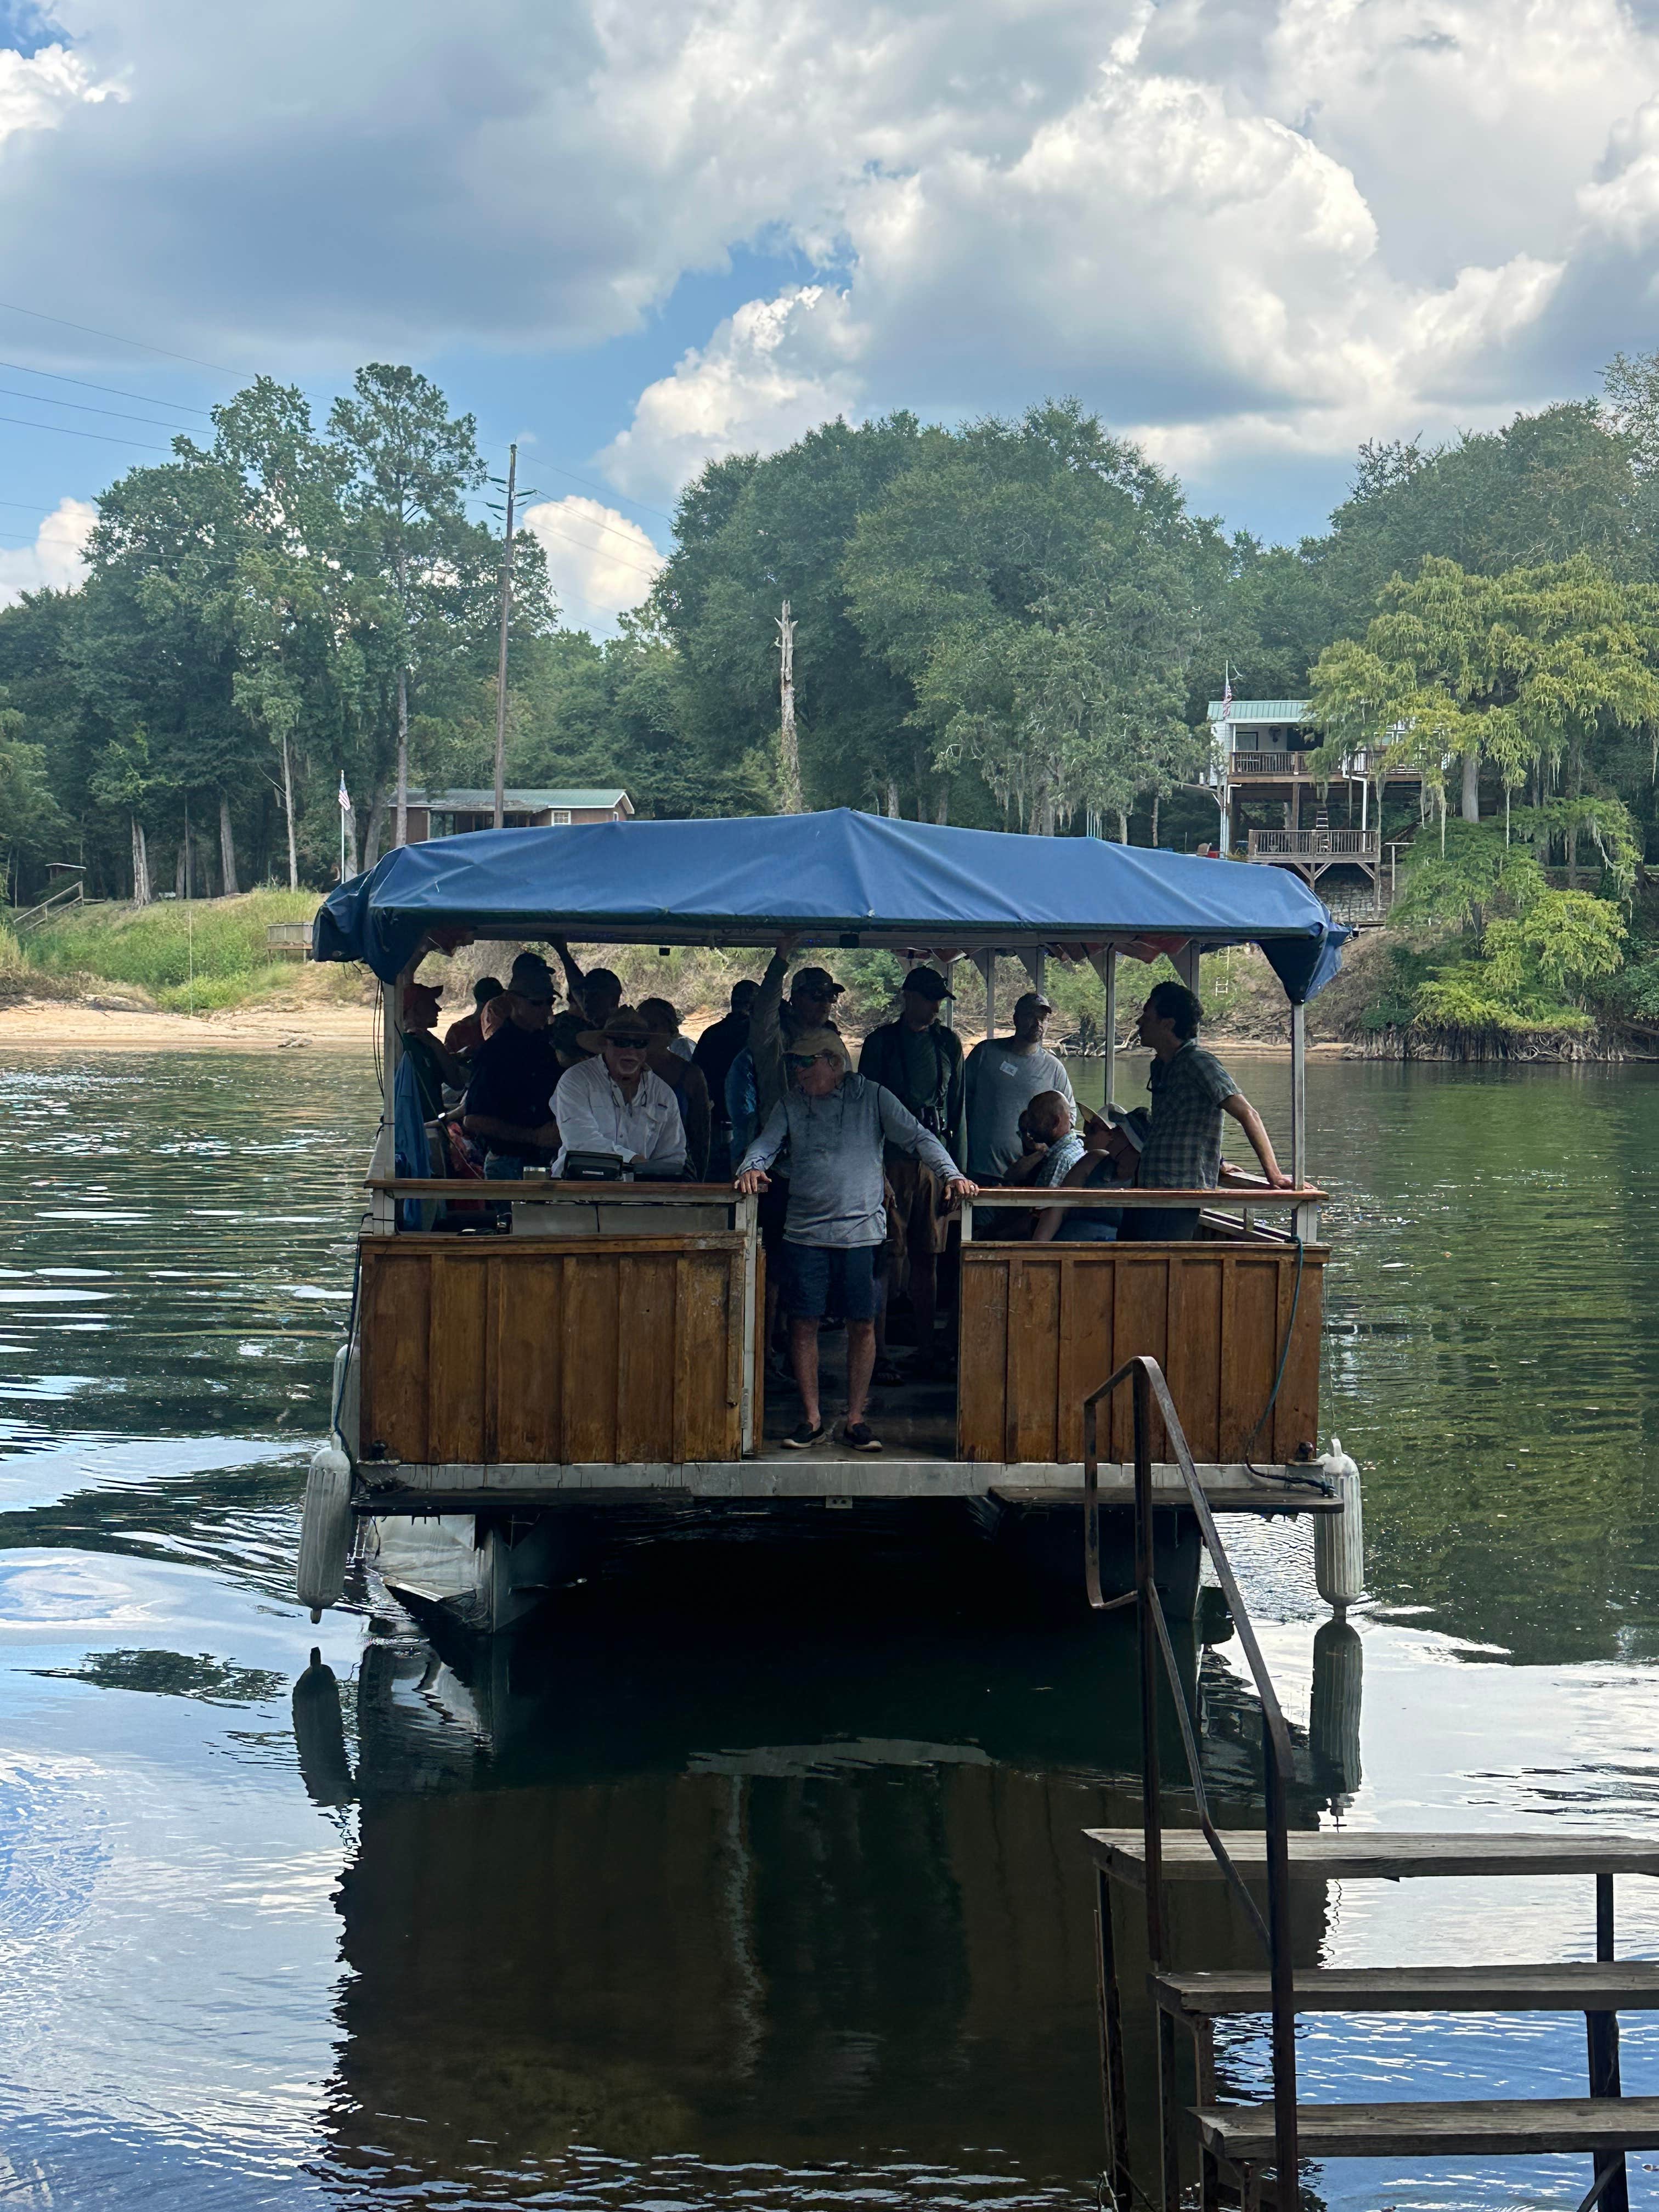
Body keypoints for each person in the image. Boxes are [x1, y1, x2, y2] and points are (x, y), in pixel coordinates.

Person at [735, 1030, 976, 1453]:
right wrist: (752, 1166)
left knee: (863, 1323)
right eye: (793, 1063)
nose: (796, 1072)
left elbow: (919, 1137)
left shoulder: (875, 1097)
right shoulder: (792, 1102)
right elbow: (766, 1143)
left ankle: (855, 1418)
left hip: (862, 1234)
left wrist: (952, 1173)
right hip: (805, 1232)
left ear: (833, 1062)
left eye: (804, 1063)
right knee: (803, 1322)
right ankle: (810, 1418)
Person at [858, 968, 966, 1372]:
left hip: (934, 1162)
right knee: (887, 1256)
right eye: (929, 998)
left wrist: (957, 1171)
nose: (936, 1006)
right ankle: (879, 1352)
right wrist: (875, 1172)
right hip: (890, 1161)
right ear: (908, 997)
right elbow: (865, 1113)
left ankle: (926, 1348)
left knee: (929, 1256)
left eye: (940, 999)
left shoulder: (947, 1043)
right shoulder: (881, 1043)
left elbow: (958, 1108)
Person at [1127, 980, 1289, 1238]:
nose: (1139, 1023)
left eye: (1147, 1016)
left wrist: (1275, 1175)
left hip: (1179, 1192)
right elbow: (1180, 1122)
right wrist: (1221, 1161)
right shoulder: (1160, 1066)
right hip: (1149, 1185)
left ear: (1167, 1024)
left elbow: (1247, 1113)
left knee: (1157, 1269)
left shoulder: (1198, 1062)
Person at [552, 1006, 687, 1178]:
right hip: (578, 1193)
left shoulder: (663, 1094)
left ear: (646, 1049)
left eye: (639, 1043)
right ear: (604, 1044)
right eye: (621, 1042)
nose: (630, 1051)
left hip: (639, 1199)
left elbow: (672, 1157)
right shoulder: (576, 1080)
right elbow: (581, 1143)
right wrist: (635, 1161)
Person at [460, 952, 563, 1177]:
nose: (546, 1010)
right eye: (536, 1003)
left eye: (550, 1002)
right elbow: (474, 1120)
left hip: (547, 1161)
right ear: (513, 1001)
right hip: (509, 1163)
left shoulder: (546, 1046)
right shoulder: (494, 1053)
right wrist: (533, 1136)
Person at [963, 991, 1076, 1183]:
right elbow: (961, 1101)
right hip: (981, 1171)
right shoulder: (985, 1053)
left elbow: (1070, 1117)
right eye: (1031, 1016)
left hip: (1028, 1174)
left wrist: (1042, 1151)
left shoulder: (1054, 1067)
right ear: (1016, 1019)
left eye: (1043, 1019)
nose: (1038, 1023)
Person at [747, 940, 845, 1122]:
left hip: (827, 1135)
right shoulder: (773, 1039)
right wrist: (781, 956)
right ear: (796, 998)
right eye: (816, 995)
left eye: (830, 996)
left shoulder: (833, 1041)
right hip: (783, 1137)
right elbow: (765, 1007)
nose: (824, 1003)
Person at [1032, 1104, 1150, 1243]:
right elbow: (1058, 1209)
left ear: (1132, 1143)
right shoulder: (1093, 1161)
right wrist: (1038, 1249)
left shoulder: (1143, 1180)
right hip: (1065, 1247)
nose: (1112, 1133)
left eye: (1119, 1131)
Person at [639, 998, 712, 1178]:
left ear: (670, 1031)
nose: (647, 1033)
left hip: (676, 1166)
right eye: (643, 1027)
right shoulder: (626, 1068)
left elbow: (701, 1133)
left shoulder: (690, 1075)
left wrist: (700, 1179)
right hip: (632, 1162)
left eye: (654, 1026)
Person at [693, 978, 758, 1178]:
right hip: (749, 1122)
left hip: (714, 1119)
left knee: (713, 1175)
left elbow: (696, 1075)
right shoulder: (758, 1038)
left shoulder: (711, 1034)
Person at [400, 980, 467, 1121]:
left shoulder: (428, 1043)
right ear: (414, 1008)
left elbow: (457, 1083)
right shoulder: (404, 1044)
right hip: (420, 1123)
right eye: (431, 1003)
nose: (438, 1009)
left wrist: (438, 1047)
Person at [551, 940, 623, 1026]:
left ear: (613, 999)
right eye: (585, 994)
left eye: (595, 995)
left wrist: (563, 952)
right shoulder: (592, 1021)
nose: (586, 1000)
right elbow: (576, 986)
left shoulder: (624, 1029)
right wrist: (563, 952)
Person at [442, 976, 504, 1063]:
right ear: (486, 1003)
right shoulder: (459, 1030)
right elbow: (448, 1063)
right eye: (497, 1000)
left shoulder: (458, 1029)